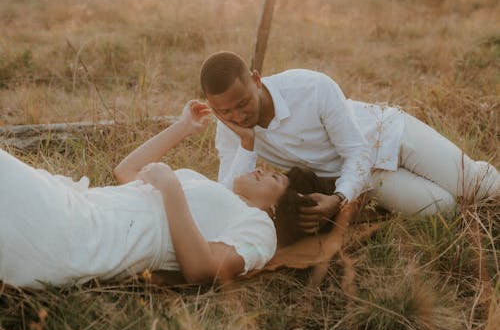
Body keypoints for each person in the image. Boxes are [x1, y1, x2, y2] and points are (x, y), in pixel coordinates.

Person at [0, 101, 297, 290]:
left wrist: (171, 188)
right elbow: (127, 171)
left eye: (274, 177)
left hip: (84, 237)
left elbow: (203, 270)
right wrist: (182, 128)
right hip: (78, 205)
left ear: (277, 208)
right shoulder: (212, 190)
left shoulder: (259, 228)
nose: (262, 170)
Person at [199, 52, 499, 233]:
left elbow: (356, 149)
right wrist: (247, 143)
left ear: (256, 79)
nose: (237, 115)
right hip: (365, 177)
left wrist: (339, 199)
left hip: (388, 132)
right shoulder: (231, 128)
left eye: (243, 103)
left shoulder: (310, 86)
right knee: (443, 209)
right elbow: (228, 191)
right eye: (224, 111)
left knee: (472, 184)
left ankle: (478, 175)